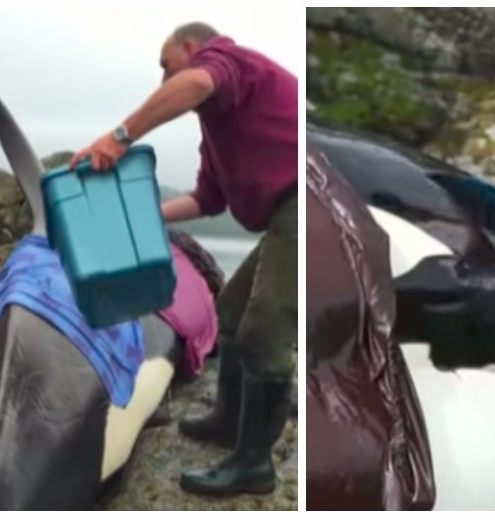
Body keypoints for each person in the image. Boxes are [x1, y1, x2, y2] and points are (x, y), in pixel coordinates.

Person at [69, 22, 298, 498]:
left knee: (264, 330)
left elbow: (195, 82)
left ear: (192, 49)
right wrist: (144, 215)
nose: (163, 79)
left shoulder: (230, 63)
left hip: (308, 201)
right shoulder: (217, 127)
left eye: (165, 64)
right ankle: (228, 421)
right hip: (282, 216)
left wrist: (119, 137)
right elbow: (207, 199)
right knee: (229, 315)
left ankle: (254, 464)